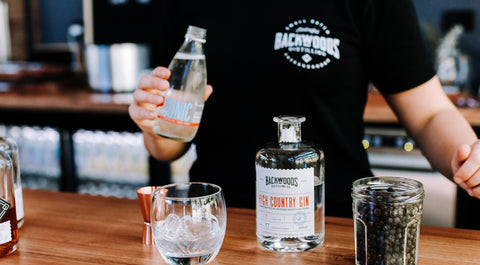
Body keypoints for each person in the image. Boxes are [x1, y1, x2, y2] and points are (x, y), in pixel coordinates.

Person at [129, 0, 480, 217]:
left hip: (336, 225)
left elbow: (431, 113)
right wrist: (154, 124)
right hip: (218, 225)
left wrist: (470, 160)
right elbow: (168, 144)